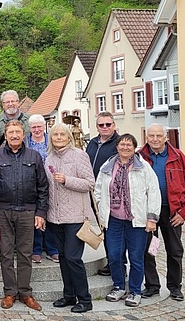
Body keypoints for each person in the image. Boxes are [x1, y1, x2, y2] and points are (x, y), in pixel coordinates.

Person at [0, 120, 48, 311]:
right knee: (6, 253)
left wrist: (41, 212)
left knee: (26, 254)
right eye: (11, 132)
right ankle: (10, 292)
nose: (14, 136)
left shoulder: (34, 156)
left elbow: (43, 187)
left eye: (18, 132)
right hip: (2, 211)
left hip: (28, 211)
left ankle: (25, 292)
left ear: (23, 134)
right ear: (6, 135)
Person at [94, 134, 161, 308]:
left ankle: (135, 291)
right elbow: (98, 189)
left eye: (129, 145)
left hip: (136, 221)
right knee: (114, 255)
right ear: (117, 147)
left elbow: (153, 192)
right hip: (114, 219)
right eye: (122, 144)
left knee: (136, 257)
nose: (125, 147)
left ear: (134, 148)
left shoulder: (143, 168)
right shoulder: (107, 166)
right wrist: (101, 209)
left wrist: (152, 218)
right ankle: (118, 286)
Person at [138, 124, 185, 302]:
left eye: (159, 136)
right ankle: (152, 285)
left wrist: (183, 213)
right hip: (149, 213)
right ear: (146, 137)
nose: (155, 139)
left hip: (172, 212)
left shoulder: (178, 157)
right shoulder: (140, 157)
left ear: (166, 137)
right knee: (149, 250)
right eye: (151, 136)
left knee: (174, 251)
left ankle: (174, 287)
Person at [44, 122, 96, 313]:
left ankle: (85, 298)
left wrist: (67, 180)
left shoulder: (79, 155)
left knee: (74, 258)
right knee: (64, 257)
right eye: (55, 134)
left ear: (69, 137)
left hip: (75, 216)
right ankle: (69, 295)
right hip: (55, 217)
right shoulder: (48, 158)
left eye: (62, 134)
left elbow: (90, 183)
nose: (58, 137)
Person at [85, 111, 120, 276]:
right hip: (93, 192)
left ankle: (118, 264)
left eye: (108, 124)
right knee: (104, 228)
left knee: (114, 230)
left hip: (111, 193)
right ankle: (110, 260)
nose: (105, 127)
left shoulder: (119, 143)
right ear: (97, 127)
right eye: (101, 125)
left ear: (114, 125)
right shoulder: (92, 143)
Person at [25, 114, 59, 264]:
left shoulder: (52, 140)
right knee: (35, 215)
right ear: (29, 128)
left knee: (50, 215)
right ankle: (36, 250)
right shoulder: (26, 142)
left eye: (39, 126)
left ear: (44, 126)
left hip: (52, 182)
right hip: (31, 183)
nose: (37, 129)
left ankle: (52, 249)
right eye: (34, 127)